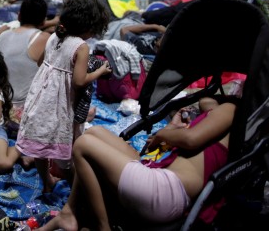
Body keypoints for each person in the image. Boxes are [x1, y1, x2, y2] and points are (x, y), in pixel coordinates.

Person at [38, 99, 236, 231]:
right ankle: (69, 213)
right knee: (94, 132)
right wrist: (173, 128)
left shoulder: (232, 109)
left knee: (83, 145)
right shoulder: (221, 124)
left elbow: (191, 139)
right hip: (162, 182)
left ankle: (102, 226)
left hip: (165, 192)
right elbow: (207, 103)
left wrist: (163, 134)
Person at [16, 0, 111, 193]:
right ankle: (78, 187)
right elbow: (78, 81)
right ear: (88, 27)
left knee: (41, 145)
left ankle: (47, 183)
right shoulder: (81, 47)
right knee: (69, 145)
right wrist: (99, 71)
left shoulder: (53, 36)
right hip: (61, 103)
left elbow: (40, 61)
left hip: (41, 97)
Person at [0, 0, 50, 134]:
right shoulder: (44, 38)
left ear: (19, 16)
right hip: (21, 113)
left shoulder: (3, 35)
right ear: (44, 21)